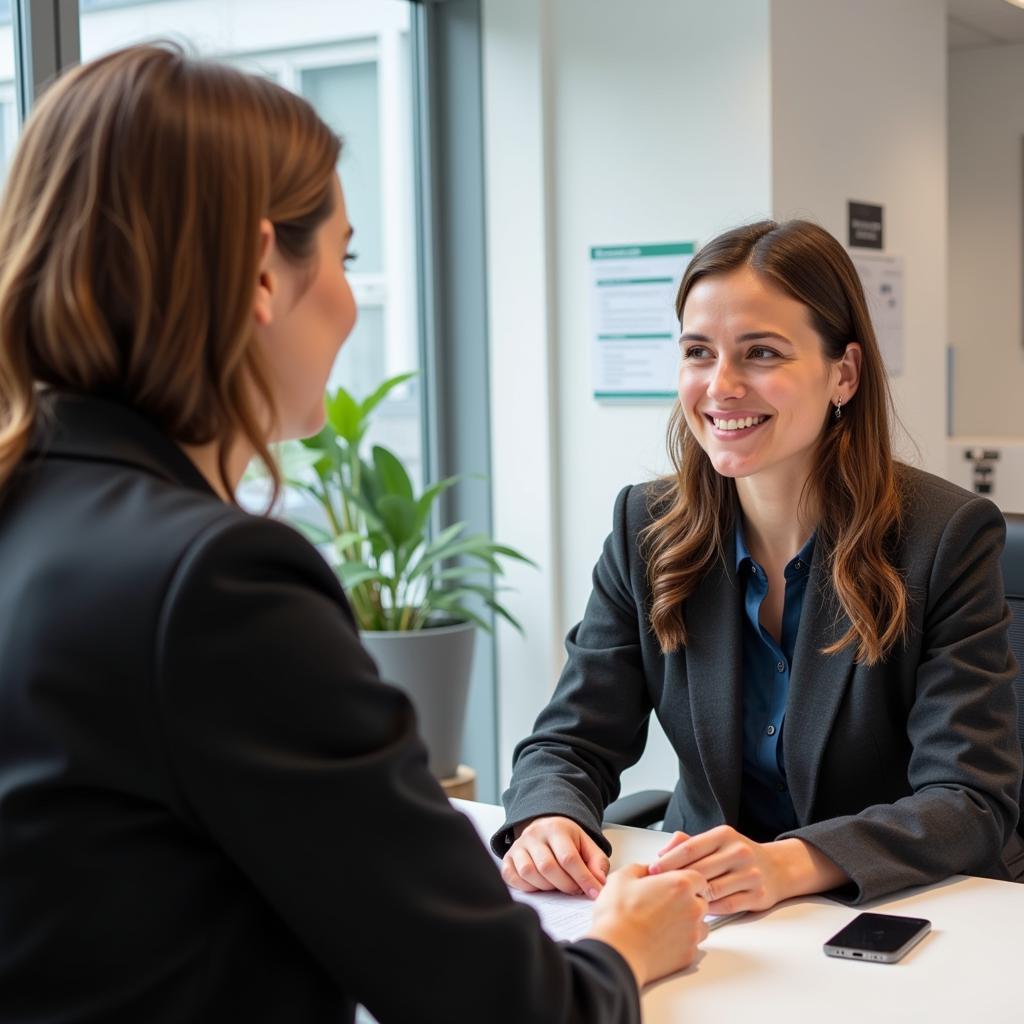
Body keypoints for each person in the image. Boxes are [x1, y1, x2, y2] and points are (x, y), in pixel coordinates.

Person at [0, 45, 710, 1024]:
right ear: (259, 272)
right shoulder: (212, 584)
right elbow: (506, 1006)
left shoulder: (30, 515)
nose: (344, 300)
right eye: (344, 255)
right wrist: (626, 948)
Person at [495, 219, 1024, 914]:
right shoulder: (645, 528)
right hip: (712, 914)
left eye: (762, 353)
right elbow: (568, 740)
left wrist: (788, 863)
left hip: (891, 911)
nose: (721, 386)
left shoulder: (942, 537)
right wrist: (549, 819)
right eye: (697, 352)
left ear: (844, 374)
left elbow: (969, 800)